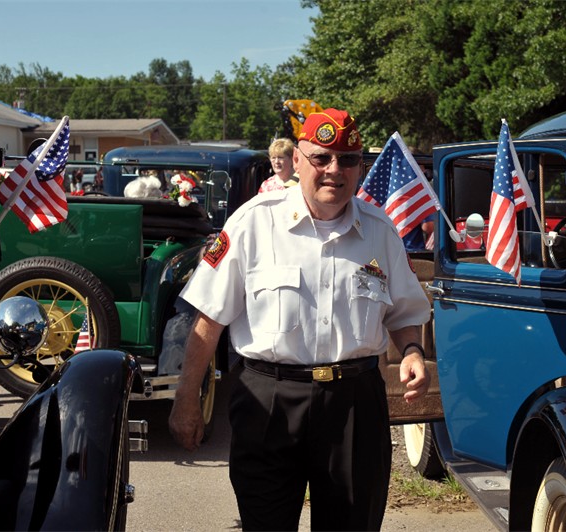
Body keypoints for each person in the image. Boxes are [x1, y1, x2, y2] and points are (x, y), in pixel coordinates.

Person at [169, 108, 431, 531]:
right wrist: (186, 399)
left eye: (347, 160)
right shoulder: (254, 222)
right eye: (321, 158)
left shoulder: (380, 231)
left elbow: (403, 311)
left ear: (360, 166)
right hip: (269, 400)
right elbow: (208, 318)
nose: (334, 170)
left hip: (354, 404)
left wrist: (414, 350)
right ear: (296, 161)